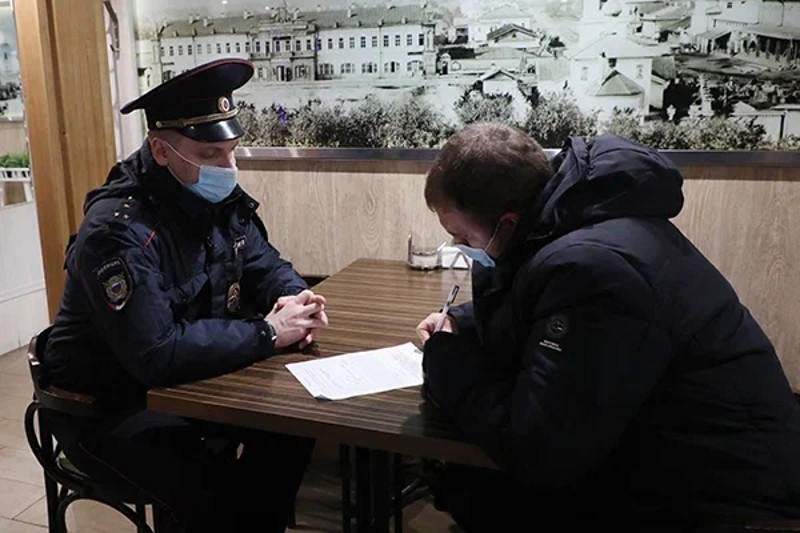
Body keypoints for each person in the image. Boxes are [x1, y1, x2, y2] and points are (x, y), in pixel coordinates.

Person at [416, 122, 800, 532]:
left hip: (728, 502)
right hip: (678, 453)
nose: (461, 248)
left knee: (486, 491)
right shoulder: (578, 217)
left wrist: (444, 360)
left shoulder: (594, 268)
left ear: (506, 223)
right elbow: (543, 305)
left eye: (462, 236)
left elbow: (538, 449)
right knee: (476, 485)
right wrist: (463, 320)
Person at [40, 58, 328, 532]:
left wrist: (294, 297)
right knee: (216, 495)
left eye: (232, 151)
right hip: (106, 407)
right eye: (211, 154)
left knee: (292, 427)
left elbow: (264, 263)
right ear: (161, 150)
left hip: (187, 387)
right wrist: (267, 333)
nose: (228, 168)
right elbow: (156, 353)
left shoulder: (212, 198)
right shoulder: (117, 233)